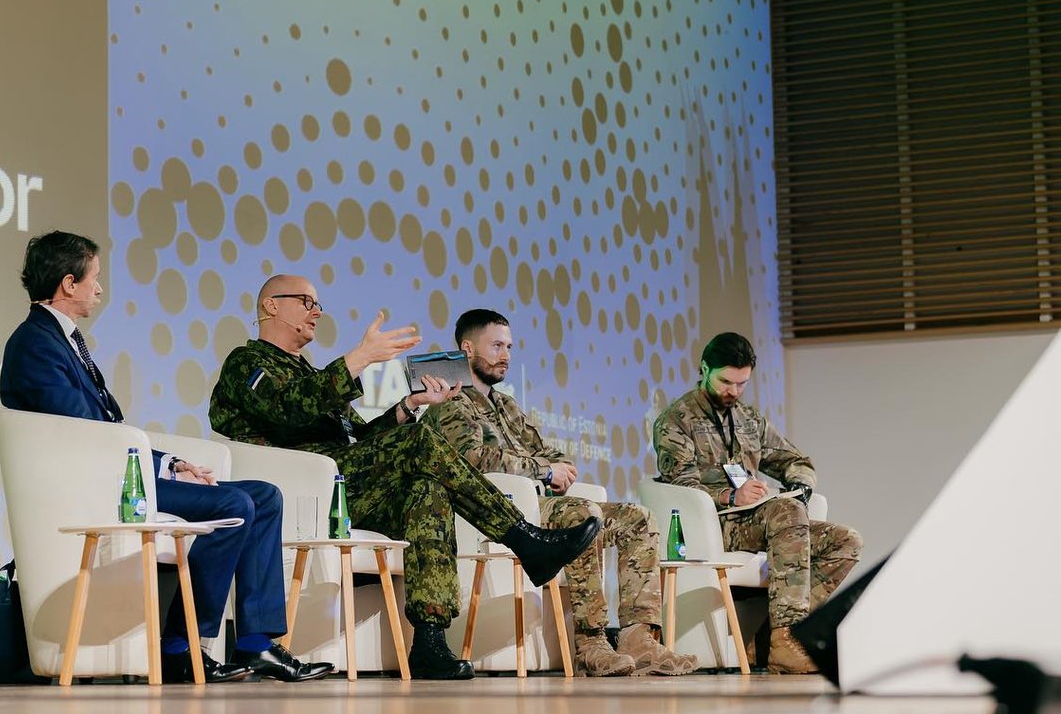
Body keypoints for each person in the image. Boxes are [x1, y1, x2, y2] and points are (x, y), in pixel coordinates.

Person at [209, 274, 602, 680]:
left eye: (318, 304)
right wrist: (359, 358)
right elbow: (287, 409)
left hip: (347, 484)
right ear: (272, 305)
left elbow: (361, 439)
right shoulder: (247, 363)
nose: (317, 312)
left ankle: (430, 642)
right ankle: (524, 539)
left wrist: (410, 404)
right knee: (420, 442)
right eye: (306, 302)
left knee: (427, 490)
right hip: (305, 492)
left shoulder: (310, 373)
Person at [0, 231, 331, 684]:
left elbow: (109, 430)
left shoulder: (63, 340)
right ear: (69, 283)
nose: (100, 289)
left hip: (117, 472)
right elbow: (84, 431)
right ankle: (180, 646)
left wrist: (173, 464)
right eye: (95, 278)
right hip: (97, 485)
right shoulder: (35, 343)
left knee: (265, 496)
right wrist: (152, 466)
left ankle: (256, 643)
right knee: (234, 505)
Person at [424, 309, 699, 676]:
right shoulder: (451, 401)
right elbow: (473, 459)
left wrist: (557, 467)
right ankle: (591, 641)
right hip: (497, 513)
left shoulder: (506, 404)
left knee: (637, 518)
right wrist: (543, 470)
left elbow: (549, 452)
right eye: (496, 346)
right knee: (583, 515)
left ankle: (639, 637)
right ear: (467, 348)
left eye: (509, 347)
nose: (505, 355)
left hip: (537, 505)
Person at [652, 331, 863, 674]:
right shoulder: (676, 420)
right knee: (786, 512)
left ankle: (773, 638)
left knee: (846, 541)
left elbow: (797, 461)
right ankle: (786, 642)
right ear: (703, 369)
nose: (733, 391)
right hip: (713, 525)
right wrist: (729, 495)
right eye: (725, 382)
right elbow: (680, 485)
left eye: (741, 384)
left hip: (758, 522)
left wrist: (801, 485)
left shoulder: (750, 420)